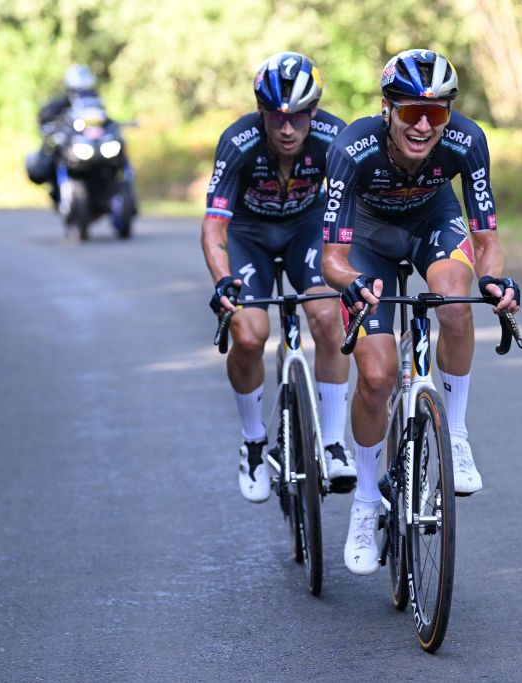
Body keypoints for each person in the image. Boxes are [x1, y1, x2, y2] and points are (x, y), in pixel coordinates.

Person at [321, 49, 521, 575]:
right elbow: (331, 260)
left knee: (456, 305)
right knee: (378, 375)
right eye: (412, 112)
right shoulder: (351, 147)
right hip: (366, 243)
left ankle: (454, 432)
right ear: (387, 109)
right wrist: (354, 283)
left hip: (434, 225)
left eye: (437, 112)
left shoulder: (467, 140)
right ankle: (366, 499)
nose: (425, 125)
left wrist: (495, 280)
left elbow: (486, 238)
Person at [201, 52, 354, 503]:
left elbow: (355, 207)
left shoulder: (334, 136)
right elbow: (214, 226)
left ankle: (332, 441)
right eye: (276, 117)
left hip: (306, 230)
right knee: (249, 334)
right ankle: (252, 441)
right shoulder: (238, 141)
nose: (287, 129)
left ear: (314, 112)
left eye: (298, 117)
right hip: (250, 235)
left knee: (328, 317)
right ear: (262, 112)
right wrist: (222, 280)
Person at [26, 64, 109, 194]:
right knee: (53, 149)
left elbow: (107, 119)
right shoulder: (63, 102)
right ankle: (56, 186)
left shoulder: (96, 102)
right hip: (73, 143)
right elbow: (47, 115)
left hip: (94, 145)